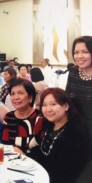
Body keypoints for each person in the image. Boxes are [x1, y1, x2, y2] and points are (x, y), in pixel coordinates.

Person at [29, 88, 90, 183]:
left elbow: (62, 169)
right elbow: (42, 153)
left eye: (53, 104)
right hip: (42, 175)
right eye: (44, 105)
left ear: (66, 106)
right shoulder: (49, 125)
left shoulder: (75, 133)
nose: (48, 109)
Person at [65, 35, 92, 183]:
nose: (79, 56)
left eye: (85, 52)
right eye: (76, 52)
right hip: (76, 130)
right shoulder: (74, 73)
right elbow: (67, 101)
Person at [1, 79, 43, 155]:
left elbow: (42, 148)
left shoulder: (40, 118)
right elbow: (5, 143)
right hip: (11, 160)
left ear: (30, 97)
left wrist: (23, 155)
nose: (15, 97)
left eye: (20, 93)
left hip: (33, 164)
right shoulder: (9, 117)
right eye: (12, 94)